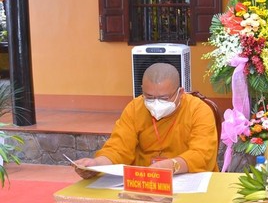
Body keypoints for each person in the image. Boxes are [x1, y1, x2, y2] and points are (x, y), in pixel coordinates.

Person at [74, 63, 218, 178]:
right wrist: (97, 164)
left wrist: (170, 166)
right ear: (142, 90)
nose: (156, 103)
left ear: (180, 93)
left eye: (163, 98)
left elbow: (202, 154)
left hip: (188, 178)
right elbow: (118, 147)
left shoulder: (198, 110)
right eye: (149, 97)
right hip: (144, 180)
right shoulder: (135, 108)